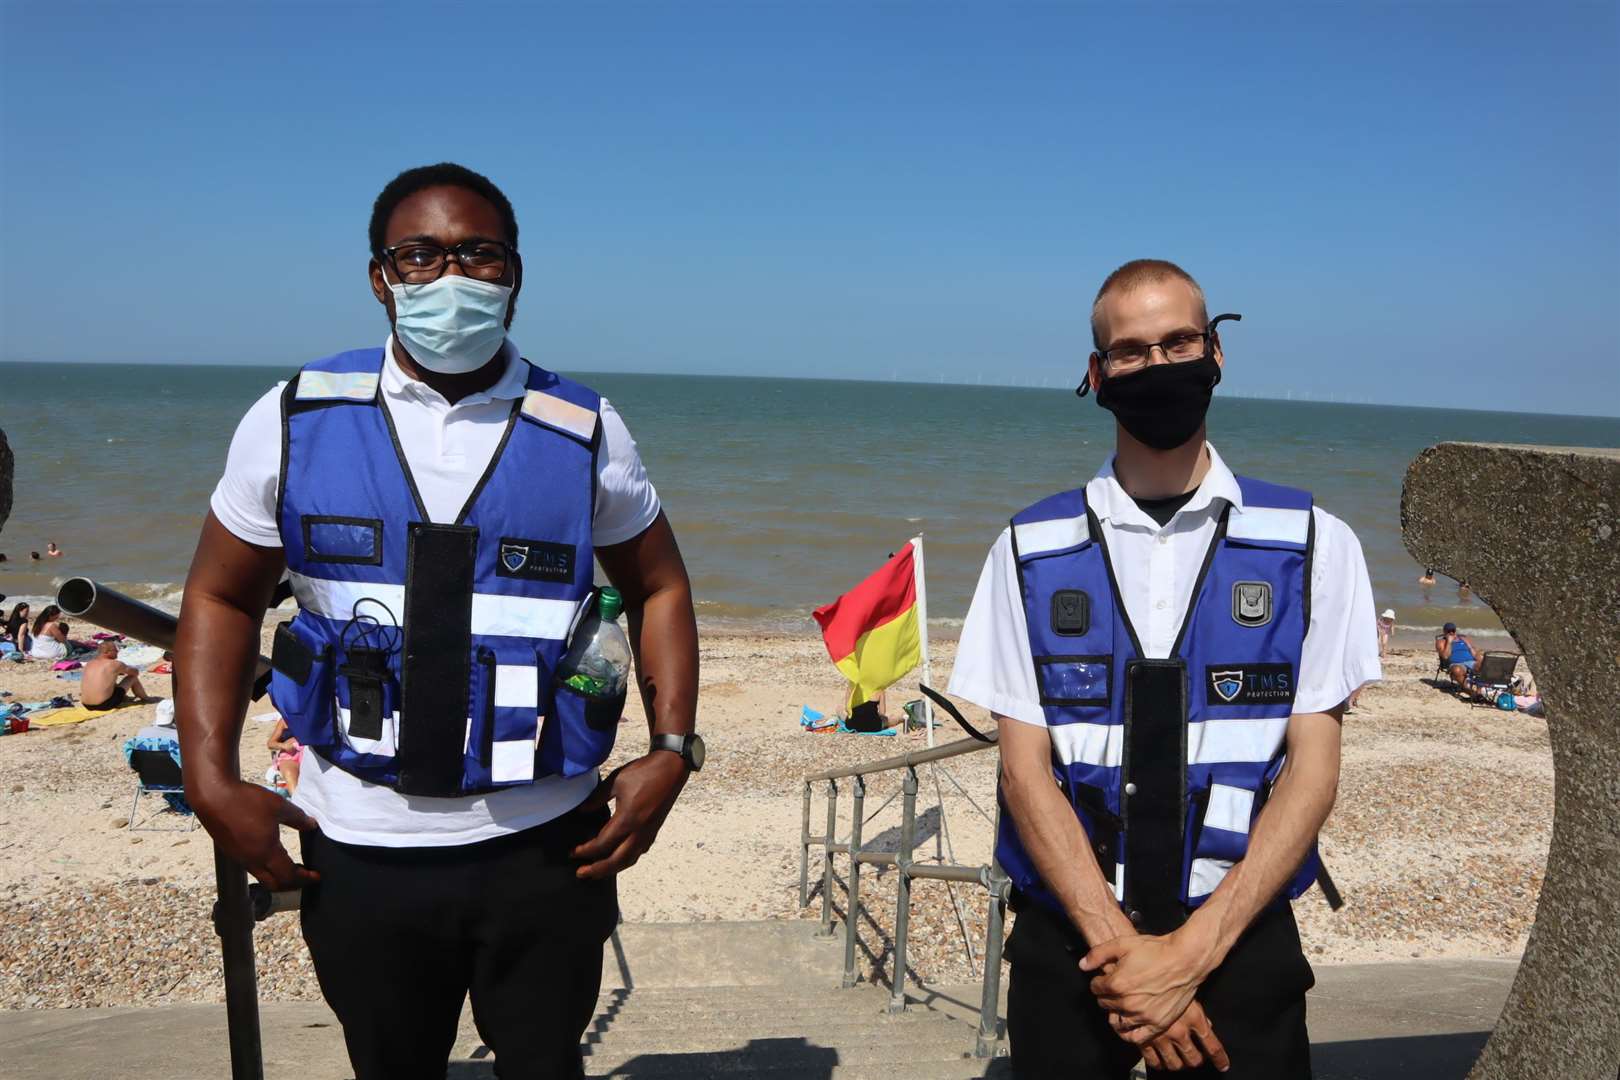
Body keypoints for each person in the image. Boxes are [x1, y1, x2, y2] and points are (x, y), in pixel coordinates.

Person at [175, 162, 703, 1080]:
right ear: (380, 276)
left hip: (549, 846)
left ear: (515, 274)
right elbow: (218, 598)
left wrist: (673, 749)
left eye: (479, 254)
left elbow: (659, 586)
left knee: (545, 1066)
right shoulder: (295, 415)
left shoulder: (585, 428)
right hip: (360, 848)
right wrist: (208, 775)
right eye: (420, 255)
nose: (450, 277)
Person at [948, 259, 1377, 1078]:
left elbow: (1313, 770)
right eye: (1132, 351)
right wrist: (1127, 959)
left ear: (1216, 353)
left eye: (1178, 342)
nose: (1158, 365)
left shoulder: (1315, 542)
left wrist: (1191, 953)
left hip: (1240, 934)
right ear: (1095, 375)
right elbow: (1023, 772)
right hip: (1073, 944)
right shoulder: (1028, 549)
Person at [81, 639, 157, 710]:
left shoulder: (89, 663)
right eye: (115, 650)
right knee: (132, 678)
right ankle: (146, 698)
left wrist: (116, 673)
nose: (117, 651)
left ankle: (125, 698)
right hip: (104, 705)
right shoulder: (115, 664)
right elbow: (135, 673)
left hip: (86, 705)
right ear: (107, 652)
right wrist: (122, 670)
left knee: (110, 679)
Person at [266, 716, 304, 794]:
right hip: (289, 756)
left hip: (308, 753)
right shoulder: (285, 720)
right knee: (290, 773)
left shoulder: (312, 716)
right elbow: (270, 743)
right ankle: (296, 802)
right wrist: (283, 746)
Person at [1436, 622, 1477, 691]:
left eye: (1453, 631)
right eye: (1449, 631)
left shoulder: (1463, 639)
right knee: (1457, 670)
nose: (1451, 633)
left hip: (1471, 662)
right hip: (1456, 664)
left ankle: (1482, 689)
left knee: (1483, 665)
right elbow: (1445, 656)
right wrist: (1449, 642)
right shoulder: (1441, 642)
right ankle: (1471, 692)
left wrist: (1468, 644)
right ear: (1444, 632)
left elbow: (1475, 654)